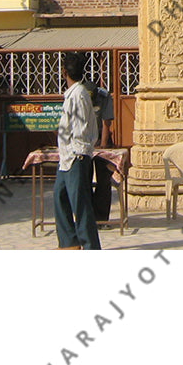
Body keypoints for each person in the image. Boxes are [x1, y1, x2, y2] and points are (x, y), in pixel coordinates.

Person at [54, 52, 101, 249]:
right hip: (66, 157)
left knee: (80, 204)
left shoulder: (80, 94)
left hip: (76, 156)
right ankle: (69, 242)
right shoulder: (71, 95)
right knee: (60, 196)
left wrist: (76, 152)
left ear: (64, 72)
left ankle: (90, 245)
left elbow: (81, 129)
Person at [82, 76, 115, 224]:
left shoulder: (104, 96)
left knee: (103, 179)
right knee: (84, 180)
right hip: (84, 140)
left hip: (102, 138)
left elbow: (106, 123)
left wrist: (101, 147)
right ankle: (87, 218)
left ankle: (101, 219)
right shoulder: (78, 95)